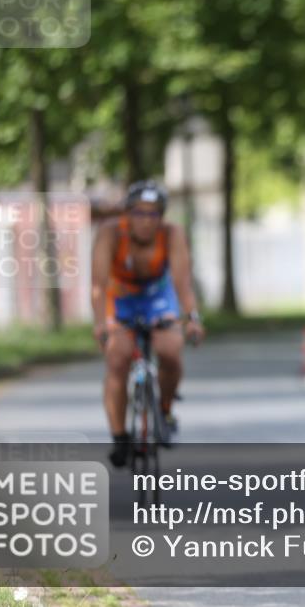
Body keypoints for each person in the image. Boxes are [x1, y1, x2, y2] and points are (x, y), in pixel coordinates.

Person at [91, 180, 204, 467]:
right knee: (118, 358)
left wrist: (191, 318)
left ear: (162, 217)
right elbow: (99, 284)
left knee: (170, 350)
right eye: (138, 213)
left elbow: (182, 282)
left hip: (157, 296)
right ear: (127, 214)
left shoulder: (172, 234)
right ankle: (119, 437)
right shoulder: (110, 234)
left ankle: (164, 410)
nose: (145, 221)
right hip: (121, 298)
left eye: (153, 214)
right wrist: (101, 323)